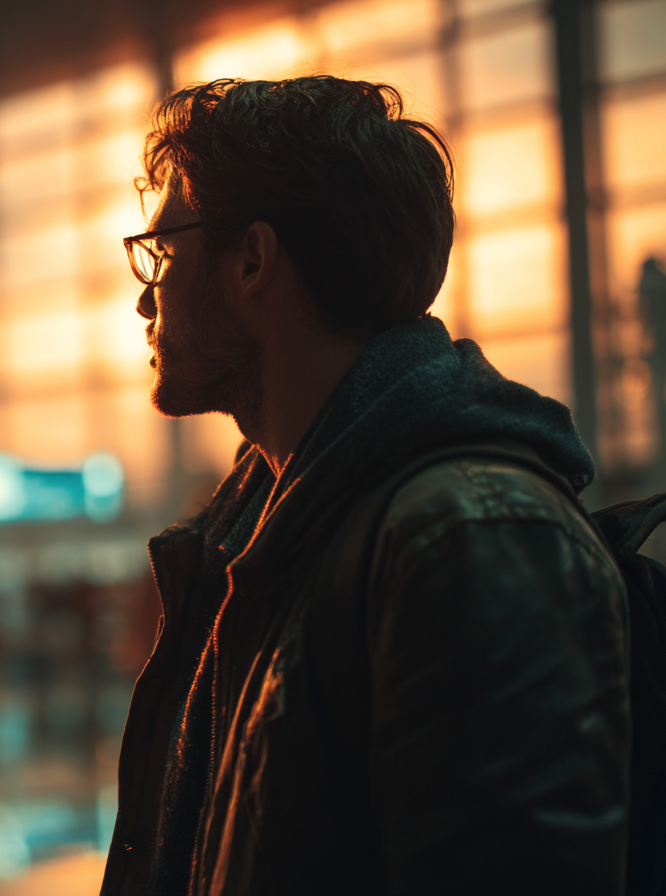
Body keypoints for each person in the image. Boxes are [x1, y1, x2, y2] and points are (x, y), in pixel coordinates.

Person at [102, 77, 629, 895]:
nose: (145, 296)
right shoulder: (274, 531)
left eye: (164, 252)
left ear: (252, 261)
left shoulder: (466, 541)